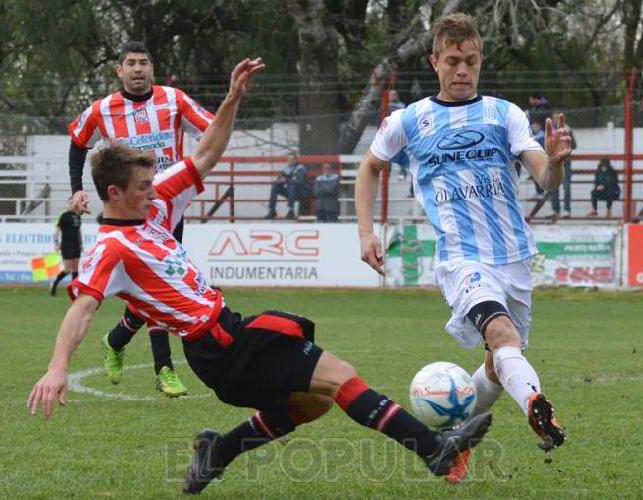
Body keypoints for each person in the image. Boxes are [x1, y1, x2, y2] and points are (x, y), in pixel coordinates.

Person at [27, 58, 493, 495]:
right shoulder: (110, 249)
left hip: (228, 333)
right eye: (143, 187)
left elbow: (205, 155)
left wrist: (232, 100)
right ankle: (434, 450)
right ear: (114, 193)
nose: (155, 192)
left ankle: (221, 449)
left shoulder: (156, 205)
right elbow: (82, 310)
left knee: (313, 403)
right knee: (339, 377)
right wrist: (56, 366)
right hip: (216, 347)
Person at [354, 12, 570, 485]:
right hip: (462, 258)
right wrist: (366, 231)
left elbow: (543, 176)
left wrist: (553, 164)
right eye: (453, 61)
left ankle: (454, 438)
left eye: (470, 61)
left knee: (497, 363)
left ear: (480, 60)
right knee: (502, 337)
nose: (462, 71)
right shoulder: (409, 120)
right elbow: (370, 168)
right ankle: (537, 404)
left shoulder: (504, 113)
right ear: (435, 61)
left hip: (513, 257)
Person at [66, 41, 215, 397]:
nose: (137, 69)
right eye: (130, 63)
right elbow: (77, 142)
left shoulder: (174, 100)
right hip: (130, 211)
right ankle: (163, 368)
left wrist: (188, 166)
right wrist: (77, 188)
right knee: (158, 285)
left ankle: (116, 339)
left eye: (143, 63)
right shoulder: (102, 109)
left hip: (168, 204)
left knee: (156, 287)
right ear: (119, 70)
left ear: (152, 68)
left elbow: (210, 130)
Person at [49, 200, 84, 296]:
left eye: (74, 203)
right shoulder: (64, 215)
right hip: (66, 245)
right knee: (67, 269)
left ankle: (74, 291)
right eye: (71, 203)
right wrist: (56, 244)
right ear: (68, 204)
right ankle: (54, 284)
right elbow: (57, 230)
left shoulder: (78, 216)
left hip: (76, 244)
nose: (73, 205)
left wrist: (81, 244)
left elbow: (78, 231)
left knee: (75, 269)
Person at [548, 112, 576, 218]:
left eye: (558, 118)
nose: (556, 120)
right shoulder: (550, 131)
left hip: (565, 163)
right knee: (553, 187)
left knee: (566, 186)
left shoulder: (568, 130)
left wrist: (566, 143)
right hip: (554, 163)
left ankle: (566, 210)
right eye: (554, 118)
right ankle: (555, 210)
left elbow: (574, 145)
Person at [264, 151, 308, 219]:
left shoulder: (300, 168)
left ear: (296, 160)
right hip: (290, 191)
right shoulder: (286, 168)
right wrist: (279, 180)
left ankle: (291, 211)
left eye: (292, 159)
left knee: (292, 186)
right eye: (289, 159)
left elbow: (299, 181)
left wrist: (286, 180)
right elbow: (282, 178)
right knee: (275, 186)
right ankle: (272, 210)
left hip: (300, 192)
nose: (290, 160)